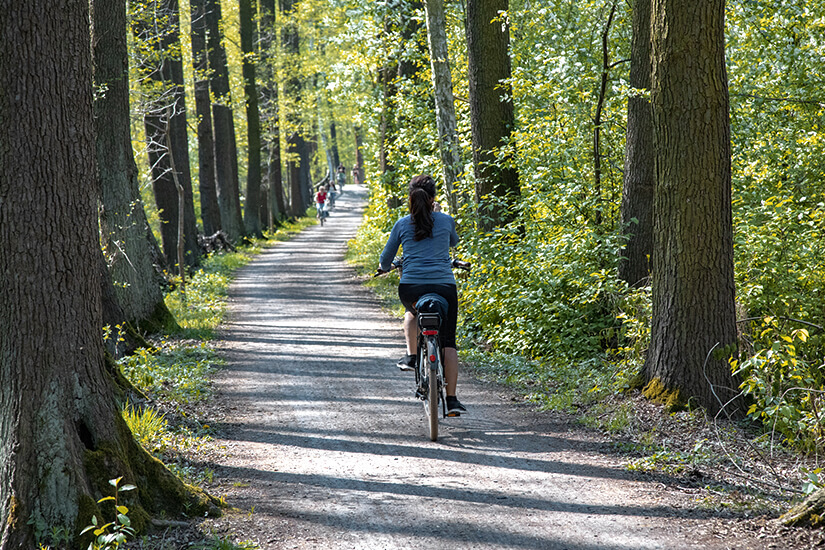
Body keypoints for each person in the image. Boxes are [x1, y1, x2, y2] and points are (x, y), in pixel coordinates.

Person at [378, 174, 466, 416]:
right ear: (434, 198)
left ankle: (410, 356)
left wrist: (384, 268)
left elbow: (385, 259)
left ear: (410, 197)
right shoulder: (446, 220)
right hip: (444, 288)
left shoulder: (402, 223)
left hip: (411, 288)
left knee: (411, 312)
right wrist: (438, 215)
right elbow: (453, 242)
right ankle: (452, 399)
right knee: (448, 342)